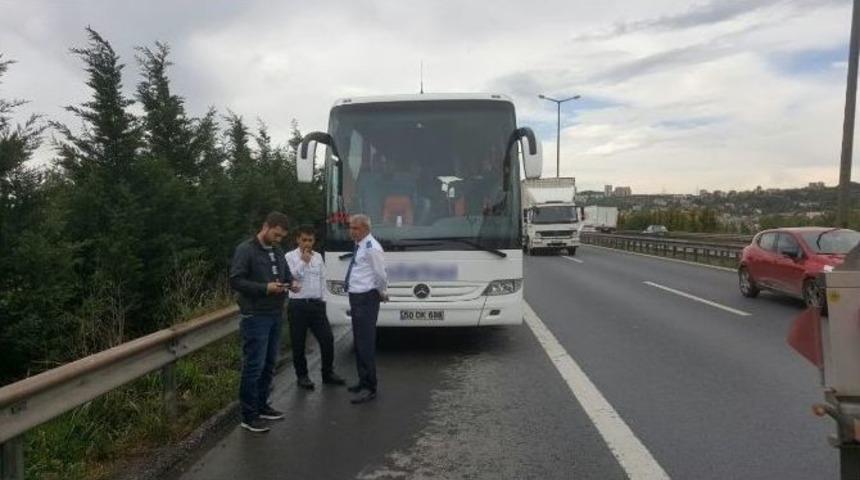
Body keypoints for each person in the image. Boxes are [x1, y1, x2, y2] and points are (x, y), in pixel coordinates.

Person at [230, 211, 300, 434]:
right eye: (276, 235)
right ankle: (249, 416)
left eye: (281, 237)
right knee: (254, 365)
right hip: (255, 315)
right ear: (266, 226)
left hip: (275, 313)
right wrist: (264, 288)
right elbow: (236, 280)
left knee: (270, 363)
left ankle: (262, 406)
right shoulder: (246, 250)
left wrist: (292, 283)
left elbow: (285, 275)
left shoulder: (277, 250)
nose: (278, 240)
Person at [285, 225, 346, 390]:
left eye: (310, 240)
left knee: (327, 339)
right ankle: (302, 376)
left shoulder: (318, 257)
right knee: (298, 343)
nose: (307, 243)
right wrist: (303, 262)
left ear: (314, 241)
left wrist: (324, 300)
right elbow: (291, 277)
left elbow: (323, 279)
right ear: (298, 239)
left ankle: (328, 373)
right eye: (304, 240)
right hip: (298, 305)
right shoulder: (290, 256)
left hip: (316, 305)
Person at [344, 214, 388, 404]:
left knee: (365, 343)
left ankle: (370, 387)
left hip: (366, 298)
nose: (351, 231)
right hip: (357, 297)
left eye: (356, 228)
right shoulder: (360, 244)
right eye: (350, 227)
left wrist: (382, 292)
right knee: (359, 341)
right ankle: (362, 380)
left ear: (366, 229)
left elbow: (380, 274)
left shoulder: (371, 247)